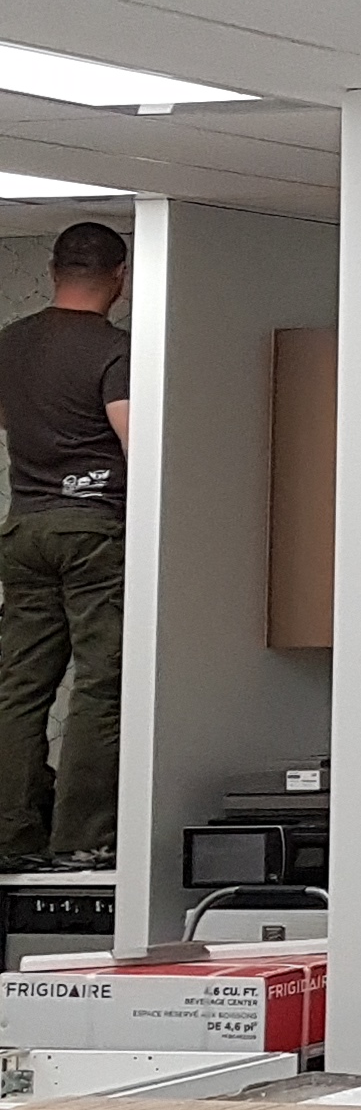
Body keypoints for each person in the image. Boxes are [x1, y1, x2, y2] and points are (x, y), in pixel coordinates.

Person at [0, 223, 130, 871]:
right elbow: (136, 442)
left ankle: (11, 833)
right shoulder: (117, 351)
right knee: (102, 680)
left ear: (53, 270)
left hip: (23, 527)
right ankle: (82, 836)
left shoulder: (11, 343)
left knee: (21, 685)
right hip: (93, 529)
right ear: (120, 278)